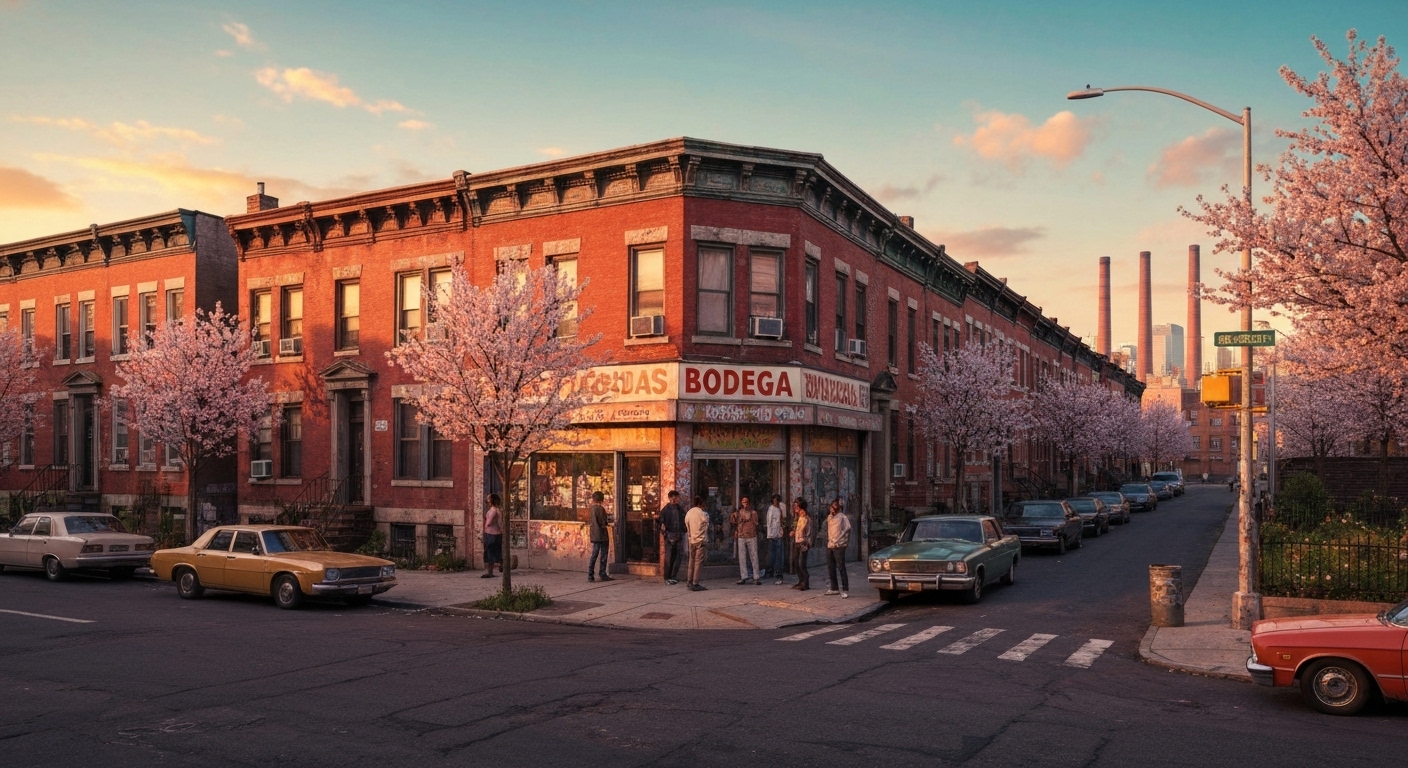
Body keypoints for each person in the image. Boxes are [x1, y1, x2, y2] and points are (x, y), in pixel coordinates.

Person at [731, 496, 762, 585]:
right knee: (742, 557)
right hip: (741, 535)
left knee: (754, 556)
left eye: (747, 502)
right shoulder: (738, 513)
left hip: (751, 536)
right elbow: (733, 522)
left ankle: (756, 576)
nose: (746, 504)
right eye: (744, 502)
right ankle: (744, 576)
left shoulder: (753, 513)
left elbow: (756, 523)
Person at [824, 499, 851, 598]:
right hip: (830, 545)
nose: (832, 508)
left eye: (835, 506)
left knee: (841, 567)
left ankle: (845, 589)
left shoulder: (842, 517)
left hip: (839, 545)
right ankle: (834, 588)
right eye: (831, 506)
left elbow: (847, 529)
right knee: (831, 567)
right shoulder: (829, 517)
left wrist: (840, 540)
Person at [659, 490, 686, 585]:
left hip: (678, 535)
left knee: (678, 556)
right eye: (674, 498)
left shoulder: (680, 509)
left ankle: (673, 576)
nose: (676, 500)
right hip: (669, 536)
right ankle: (667, 577)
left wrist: (683, 531)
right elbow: (661, 522)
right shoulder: (666, 510)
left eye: (677, 498)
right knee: (669, 557)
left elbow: (684, 521)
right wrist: (665, 533)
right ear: (670, 498)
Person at [685, 495, 710, 591]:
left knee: (691, 561)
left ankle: (689, 580)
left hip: (691, 540)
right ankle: (695, 582)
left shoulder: (689, 513)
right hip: (700, 540)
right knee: (698, 562)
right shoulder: (703, 514)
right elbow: (706, 525)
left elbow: (687, 525)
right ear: (701, 504)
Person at [588, 490, 613, 582]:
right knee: (603, 555)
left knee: (594, 554)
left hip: (594, 534)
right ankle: (602, 573)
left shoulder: (591, 509)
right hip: (602, 535)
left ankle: (590, 574)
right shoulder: (601, 509)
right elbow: (603, 522)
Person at [791, 498, 811, 591]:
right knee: (796, 563)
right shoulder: (797, 517)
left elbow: (808, 533)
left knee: (801, 563)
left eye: (797, 506)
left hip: (803, 543)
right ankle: (801, 581)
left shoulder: (806, 519)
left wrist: (806, 543)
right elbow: (796, 528)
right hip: (797, 542)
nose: (795, 507)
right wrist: (793, 531)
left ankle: (805, 582)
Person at [765, 494, 785, 585]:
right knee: (771, 554)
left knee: (779, 555)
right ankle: (770, 570)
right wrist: (769, 534)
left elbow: (783, 519)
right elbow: (769, 522)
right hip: (772, 533)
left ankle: (779, 572)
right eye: (774, 500)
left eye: (777, 500)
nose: (776, 502)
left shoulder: (782, 507)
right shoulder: (771, 509)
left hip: (779, 533)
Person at [482, 494, 503, 579]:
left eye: (489, 498)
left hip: (491, 534)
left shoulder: (493, 510)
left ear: (491, 500)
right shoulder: (497, 510)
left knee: (490, 552)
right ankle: (501, 564)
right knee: (496, 551)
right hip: (496, 534)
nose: (487, 499)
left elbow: (489, 522)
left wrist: (486, 525)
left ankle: (490, 571)